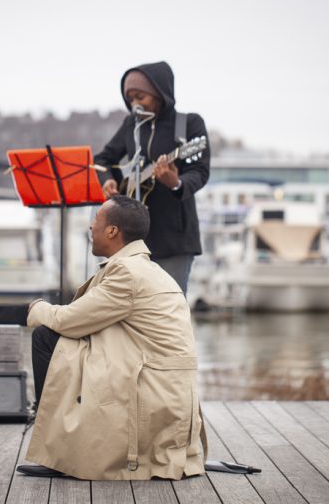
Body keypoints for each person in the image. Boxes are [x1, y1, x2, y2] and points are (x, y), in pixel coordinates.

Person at [17, 195, 205, 480]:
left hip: (151, 390)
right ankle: (54, 434)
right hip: (166, 386)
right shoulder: (147, 268)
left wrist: (37, 308)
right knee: (65, 342)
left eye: (96, 222)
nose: (91, 228)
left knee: (46, 337)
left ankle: (56, 450)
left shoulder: (126, 272)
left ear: (112, 231)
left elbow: (69, 321)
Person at [96, 61, 210, 294]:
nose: (135, 104)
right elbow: (102, 159)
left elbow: (200, 171)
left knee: (169, 307)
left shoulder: (188, 124)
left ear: (160, 93)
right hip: (131, 239)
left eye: (140, 97)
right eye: (131, 99)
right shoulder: (132, 125)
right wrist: (108, 180)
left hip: (173, 238)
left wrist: (176, 183)